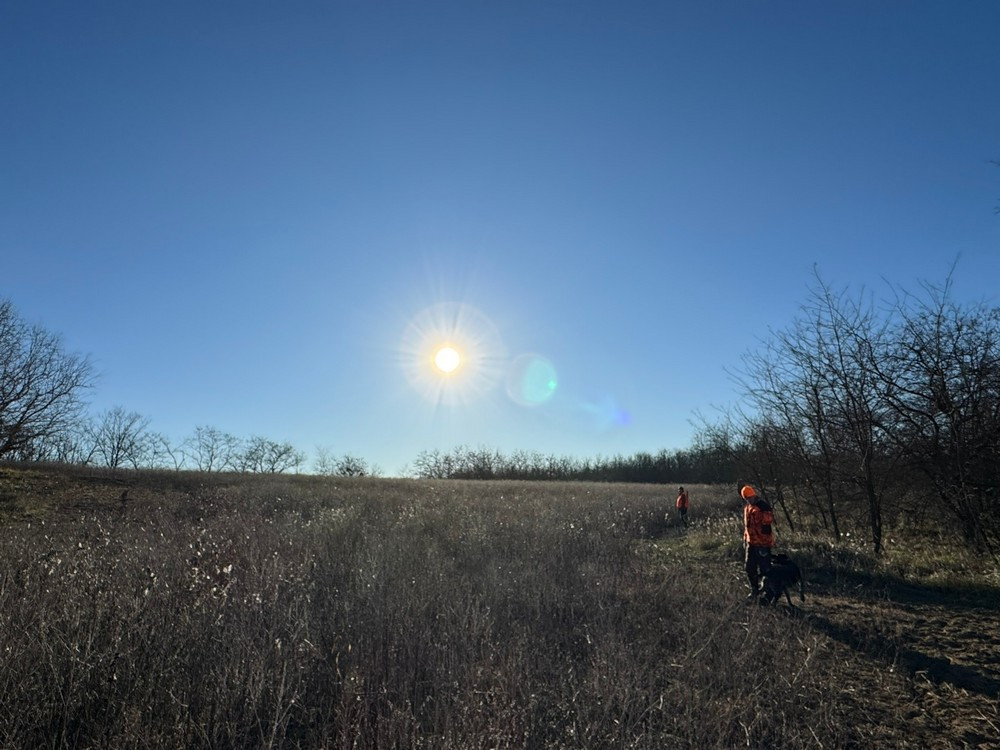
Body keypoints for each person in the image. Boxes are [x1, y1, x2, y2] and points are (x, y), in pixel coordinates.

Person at [741, 485, 775, 601]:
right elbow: (747, 527)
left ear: (754, 495)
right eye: (747, 498)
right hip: (751, 544)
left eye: (750, 497)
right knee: (749, 568)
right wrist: (745, 540)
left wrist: (765, 511)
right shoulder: (747, 508)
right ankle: (754, 590)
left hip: (762, 545)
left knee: (766, 570)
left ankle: (769, 594)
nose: (749, 500)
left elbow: (768, 523)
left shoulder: (763, 507)